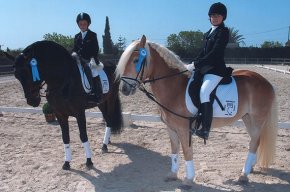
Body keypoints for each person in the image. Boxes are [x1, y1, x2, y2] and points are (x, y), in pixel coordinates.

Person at [185, 2, 230, 140]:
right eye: (212, 15)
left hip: (216, 69)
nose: (215, 18)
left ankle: (205, 129)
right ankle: (197, 116)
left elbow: (215, 53)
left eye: (218, 15)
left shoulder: (223, 32)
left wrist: (198, 63)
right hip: (204, 69)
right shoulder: (207, 33)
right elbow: (203, 52)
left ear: (223, 17)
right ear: (209, 17)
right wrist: (192, 63)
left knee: (204, 92)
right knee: (191, 85)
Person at [72, 12, 103, 102]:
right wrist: (73, 55)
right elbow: (75, 49)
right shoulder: (76, 36)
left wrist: (92, 58)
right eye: (80, 24)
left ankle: (96, 93)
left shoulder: (93, 35)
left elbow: (95, 49)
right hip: (79, 60)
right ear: (78, 25)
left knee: (93, 72)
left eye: (84, 24)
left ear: (88, 24)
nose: (82, 26)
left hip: (90, 59)